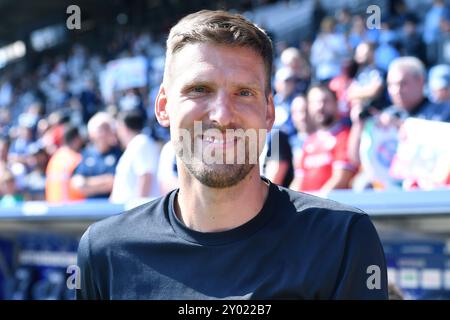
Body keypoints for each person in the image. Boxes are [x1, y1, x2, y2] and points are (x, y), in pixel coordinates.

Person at [77, 10, 388, 300]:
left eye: (243, 92)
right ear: (163, 106)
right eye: (199, 89)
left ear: (269, 111)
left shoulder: (341, 240)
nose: (223, 116)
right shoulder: (106, 251)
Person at [293, 84, 357, 193]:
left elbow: (341, 179)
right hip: (308, 205)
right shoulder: (309, 141)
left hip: (327, 206)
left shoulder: (345, 136)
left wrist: (316, 204)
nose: (320, 106)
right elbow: (299, 181)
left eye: (325, 101)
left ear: (336, 104)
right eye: (314, 102)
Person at [109, 110, 160, 204]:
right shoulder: (135, 144)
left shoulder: (141, 142)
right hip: (126, 212)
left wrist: (138, 211)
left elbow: (145, 176)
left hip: (134, 213)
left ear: (123, 127)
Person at [70, 112, 122, 199]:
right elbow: (78, 184)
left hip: (113, 207)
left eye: (107, 128)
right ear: (91, 133)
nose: (104, 133)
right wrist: (105, 181)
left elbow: (117, 182)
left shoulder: (118, 153)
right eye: (101, 129)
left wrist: (89, 183)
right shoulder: (86, 154)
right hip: (91, 209)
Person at [45, 125, 85, 203]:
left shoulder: (55, 158)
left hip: (53, 208)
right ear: (77, 139)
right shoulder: (76, 159)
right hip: (72, 208)